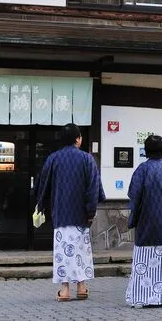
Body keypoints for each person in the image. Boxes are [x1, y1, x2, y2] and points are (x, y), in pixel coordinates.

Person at [35, 123, 105, 302]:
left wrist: (41, 205)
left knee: (62, 251)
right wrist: (91, 210)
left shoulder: (53, 158)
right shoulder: (87, 159)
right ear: (77, 139)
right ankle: (81, 286)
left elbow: (43, 184)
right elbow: (93, 186)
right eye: (80, 136)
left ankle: (65, 289)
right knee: (81, 250)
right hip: (81, 215)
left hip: (60, 213)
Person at [125, 134, 162, 308]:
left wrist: (134, 216)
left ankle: (142, 297)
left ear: (145, 152)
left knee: (145, 258)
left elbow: (134, 194)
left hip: (147, 219)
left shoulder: (142, 169)